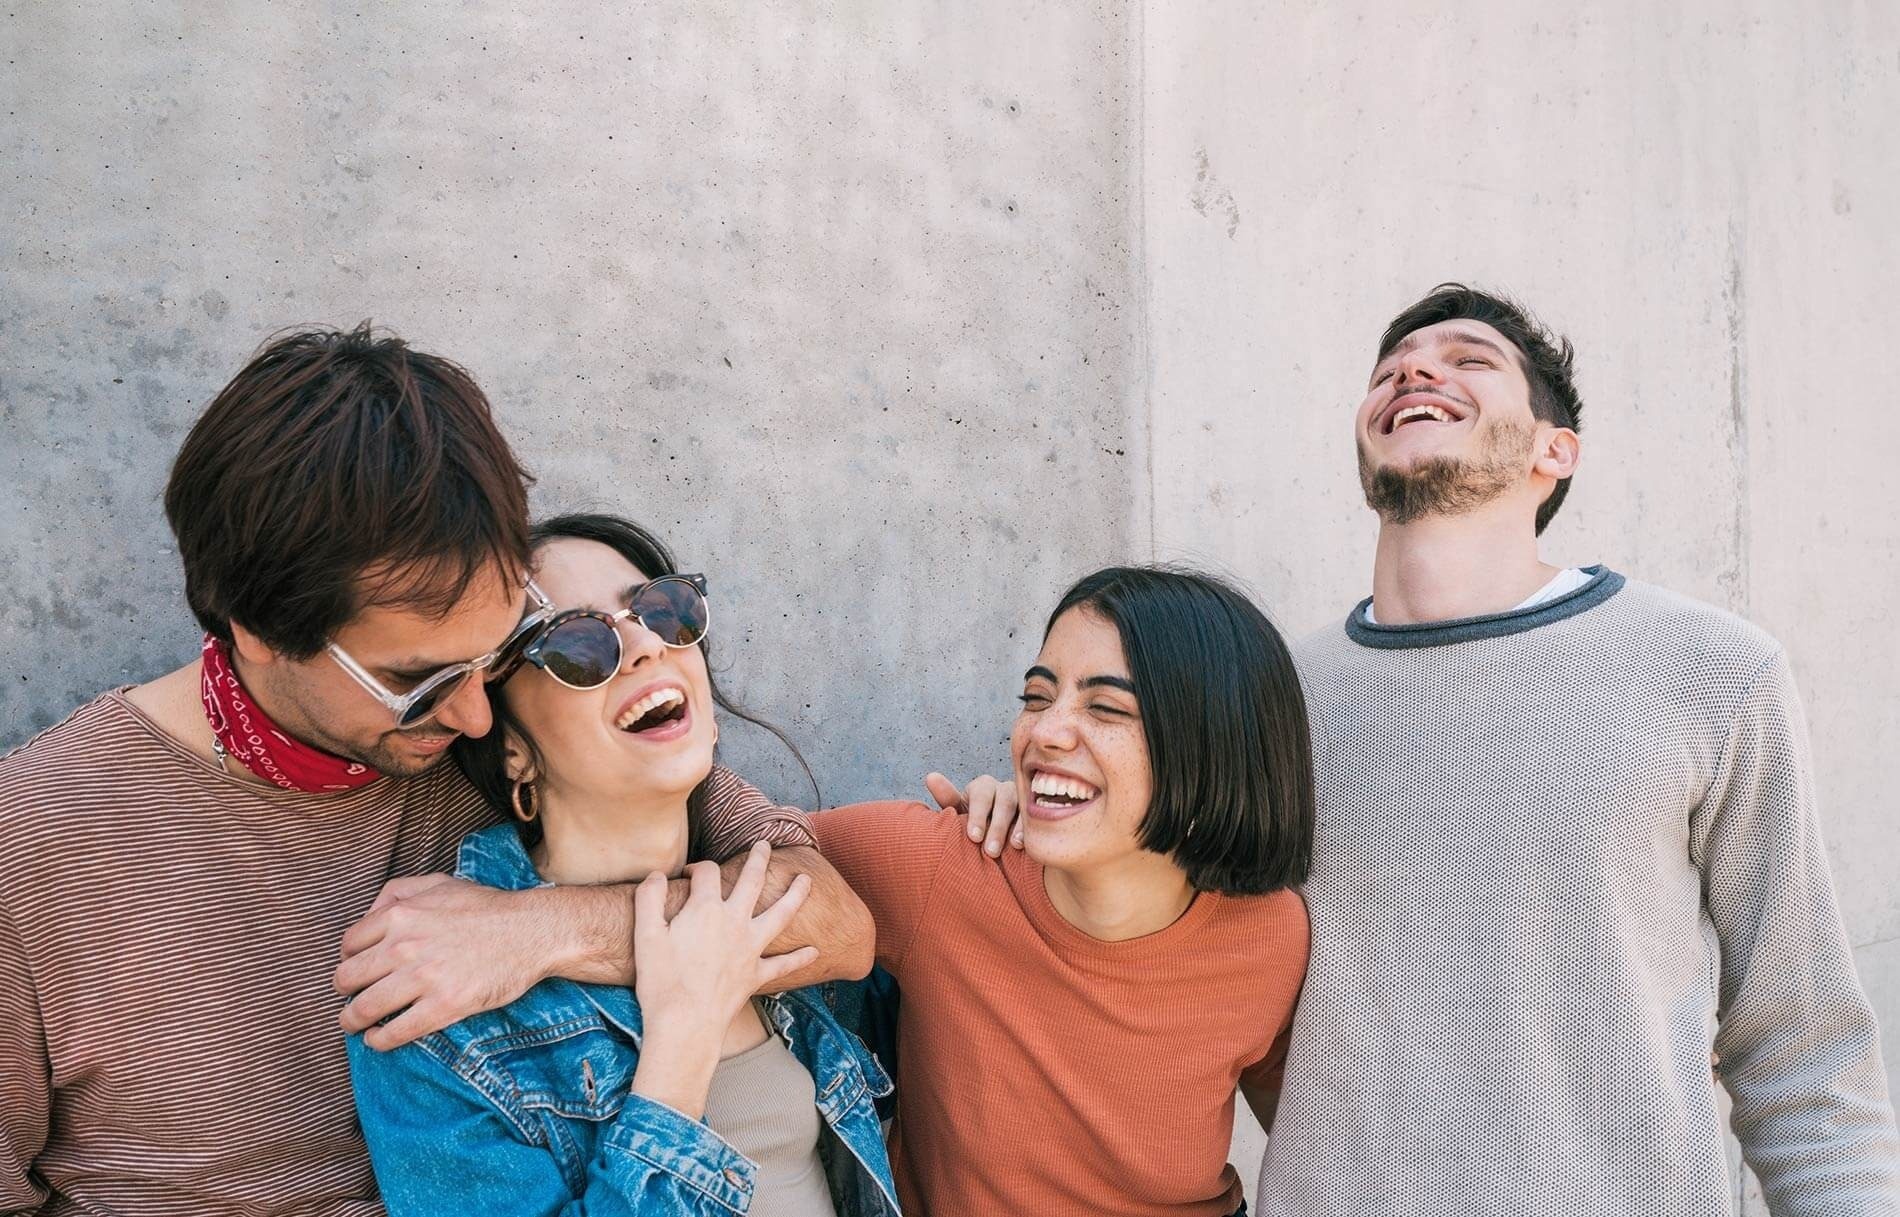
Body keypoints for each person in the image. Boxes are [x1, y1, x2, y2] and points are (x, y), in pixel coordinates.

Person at [0, 326, 871, 1217]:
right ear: (257, 629)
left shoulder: (521, 750)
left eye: (493, 658)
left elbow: (833, 922)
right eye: (419, 683)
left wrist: (540, 931)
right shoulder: (35, 840)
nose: (473, 716)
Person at [1254, 284, 1900, 1215]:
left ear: (1555, 452)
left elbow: (1806, 1049)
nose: (1414, 369)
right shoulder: (1270, 702)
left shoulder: (1710, 670)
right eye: (1391, 368)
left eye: (1468, 358)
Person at [348, 512, 900, 1216]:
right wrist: (684, 1043)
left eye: (664, 612)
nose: (644, 646)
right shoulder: (436, 1004)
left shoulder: (771, 911)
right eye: (578, 644)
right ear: (511, 747)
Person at [817, 565, 1314, 1217]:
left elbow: (1324, 1151)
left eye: (1105, 707)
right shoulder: (938, 870)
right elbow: (717, 832)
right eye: (1037, 697)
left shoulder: (1273, 935)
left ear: (1213, 751)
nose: (1045, 732)